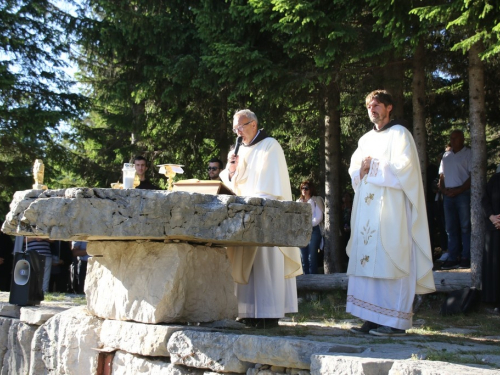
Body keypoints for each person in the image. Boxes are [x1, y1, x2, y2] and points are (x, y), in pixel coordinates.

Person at [346, 90, 435, 337]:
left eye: (376, 105)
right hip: (368, 215)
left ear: (389, 107)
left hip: (393, 212)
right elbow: (355, 170)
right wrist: (361, 171)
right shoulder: (364, 140)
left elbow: (404, 171)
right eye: (368, 107)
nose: (372, 110)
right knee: (369, 265)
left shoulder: (401, 135)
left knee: (393, 260)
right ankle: (372, 317)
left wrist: (371, 166)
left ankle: (395, 322)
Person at [220, 109, 302, 329]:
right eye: (235, 128)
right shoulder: (239, 151)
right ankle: (247, 312)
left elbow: (270, 183)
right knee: (247, 265)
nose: (238, 133)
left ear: (253, 124)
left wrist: (254, 203)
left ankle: (269, 313)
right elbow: (230, 184)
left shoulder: (270, 146)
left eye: (241, 127)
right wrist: (231, 170)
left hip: (265, 215)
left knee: (266, 263)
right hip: (243, 214)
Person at [438, 130, 472, 269]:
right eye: (451, 138)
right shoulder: (446, 156)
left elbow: (473, 175)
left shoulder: (469, 153)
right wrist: (444, 190)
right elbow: (442, 176)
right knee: (450, 228)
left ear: (462, 139)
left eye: (455, 138)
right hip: (448, 195)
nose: (452, 141)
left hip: (462, 193)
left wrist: (460, 190)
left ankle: (466, 256)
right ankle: (453, 257)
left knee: (465, 226)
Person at [481, 171, 500, 309]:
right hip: (493, 227)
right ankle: (492, 300)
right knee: (493, 266)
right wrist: (492, 217)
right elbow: (485, 200)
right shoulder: (495, 178)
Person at [297, 181, 324, 274]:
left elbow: (319, 217)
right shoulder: (298, 202)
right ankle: (305, 280)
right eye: (302, 188)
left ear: (311, 189)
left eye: (306, 188)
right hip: (301, 232)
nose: (304, 190)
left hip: (314, 230)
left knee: (312, 257)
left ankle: (313, 282)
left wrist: (307, 225)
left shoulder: (316, 200)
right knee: (303, 257)